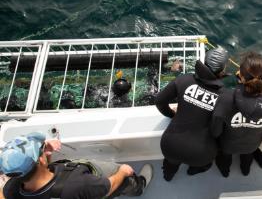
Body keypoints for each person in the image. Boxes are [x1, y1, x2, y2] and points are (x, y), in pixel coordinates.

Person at [0, 132, 152, 198]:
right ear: (40, 160)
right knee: (124, 182)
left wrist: (47, 153)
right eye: (41, 149)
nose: (44, 147)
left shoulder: (12, 190)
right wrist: (123, 172)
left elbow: (40, 177)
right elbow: (107, 187)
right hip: (95, 184)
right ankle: (139, 187)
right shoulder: (79, 184)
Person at [155, 47, 229, 181]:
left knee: (170, 163)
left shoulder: (184, 80)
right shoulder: (224, 95)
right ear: (222, 70)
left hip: (170, 145)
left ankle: (168, 175)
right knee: (204, 162)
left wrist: (172, 114)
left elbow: (159, 100)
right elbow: (217, 130)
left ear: (204, 62)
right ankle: (193, 170)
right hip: (200, 154)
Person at [210, 51, 262, 177]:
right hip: (252, 144)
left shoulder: (225, 97)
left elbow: (216, 129)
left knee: (224, 158)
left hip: (227, 144)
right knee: (247, 157)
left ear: (240, 76)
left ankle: (225, 172)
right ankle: (245, 170)